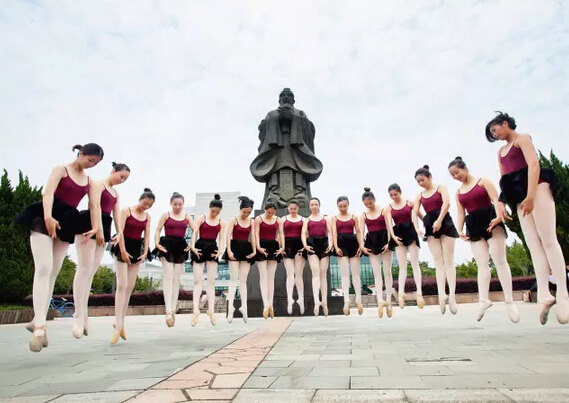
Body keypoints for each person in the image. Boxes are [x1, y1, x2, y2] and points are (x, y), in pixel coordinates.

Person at [16, 143, 104, 352]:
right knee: (44, 268)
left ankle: (38, 320)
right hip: (46, 216)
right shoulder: (60, 170)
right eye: (90, 160)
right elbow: (48, 193)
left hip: (68, 221)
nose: (91, 165)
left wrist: (96, 228)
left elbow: (94, 206)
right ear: (80, 153)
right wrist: (48, 216)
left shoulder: (90, 181)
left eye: (95, 163)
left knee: (53, 273)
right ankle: (39, 326)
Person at [486, 112, 568, 324]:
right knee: (533, 244)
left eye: (495, 130)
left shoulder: (522, 139)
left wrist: (532, 195)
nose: (495, 136)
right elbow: (504, 178)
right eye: (492, 135)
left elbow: (533, 164)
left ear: (505, 123)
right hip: (520, 196)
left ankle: (562, 293)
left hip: (537, 189)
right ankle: (544, 293)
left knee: (548, 240)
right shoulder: (501, 152)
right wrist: (502, 203)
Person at [449, 157, 519, 322]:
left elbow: (496, 199)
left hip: (490, 218)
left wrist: (498, 218)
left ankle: (509, 302)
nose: (456, 176)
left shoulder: (483, 181)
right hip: (473, 224)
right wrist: (459, 230)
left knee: (500, 260)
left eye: (457, 172)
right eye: (452, 175)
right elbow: (461, 212)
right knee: (482, 264)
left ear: (465, 168)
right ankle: (483, 300)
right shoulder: (458, 193)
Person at [73, 162, 130, 338]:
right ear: (113, 171)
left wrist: (119, 233)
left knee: (92, 271)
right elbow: (94, 206)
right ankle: (78, 315)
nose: (122, 180)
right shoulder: (97, 184)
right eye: (121, 176)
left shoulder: (115, 193)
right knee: (83, 269)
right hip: (88, 224)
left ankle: (84, 315)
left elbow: (116, 214)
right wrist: (96, 227)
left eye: (125, 179)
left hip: (104, 226)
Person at [110, 188, 155, 345]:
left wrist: (145, 252)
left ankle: (121, 322)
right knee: (121, 285)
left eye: (149, 205)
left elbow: (147, 235)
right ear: (140, 199)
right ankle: (117, 324)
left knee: (130, 286)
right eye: (144, 203)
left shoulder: (147, 216)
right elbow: (119, 232)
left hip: (137, 248)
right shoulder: (126, 211)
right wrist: (122, 250)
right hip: (123, 246)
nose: (146, 207)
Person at [413, 165, 459, 315]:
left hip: (444, 221)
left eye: (423, 180)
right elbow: (414, 213)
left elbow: (447, 203)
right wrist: (417, 228)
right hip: (429, 225)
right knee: (438, 262)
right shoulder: (419, 195)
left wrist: (439, 220)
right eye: (418, 181)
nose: (421, 183)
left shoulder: (441, 188)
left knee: (449, 260)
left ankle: (452, 296)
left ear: (429, 177)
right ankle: (441, 295)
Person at [153, 192, 194, 328]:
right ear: (171, 203)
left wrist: (192, 243)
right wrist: (157, 243)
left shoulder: (187, 216)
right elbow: (158, 230)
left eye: (180, 204)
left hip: (180, 246)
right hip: (167, 246)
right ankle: (168, 311)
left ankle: (173, 309)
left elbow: (196, 230)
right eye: (175, 204)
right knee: (168, 277)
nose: (177, 207)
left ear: (183, 204)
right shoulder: (166, 215)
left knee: (176, 279)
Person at [385, 184, 424, 309]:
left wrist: (423, 228)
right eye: (391, 195)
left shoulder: (410, 203)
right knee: (402, 265)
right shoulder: (389, 208)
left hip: (411, 231)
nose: (394, 197)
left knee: (414, 263)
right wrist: (393, 237)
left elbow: (421, 216)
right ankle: (401, 293)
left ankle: (419, 293)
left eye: (395, 194)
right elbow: (389, 225)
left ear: (400, 192)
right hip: (398, 234)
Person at [190, 194, 226, 326]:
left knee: (211, 283)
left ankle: (211, 310)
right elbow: (194, 233)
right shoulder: (202, 218)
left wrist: (221, 250)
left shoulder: (221, 222)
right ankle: (195, 310)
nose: (215, 213)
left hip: (212, 248)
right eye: (213, 211)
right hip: (199, 247)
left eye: (217, 212)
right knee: (197, 281)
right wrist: (193, 247)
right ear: (209, 208)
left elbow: (221, 238)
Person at [360, 187, 394, 319]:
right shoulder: (363, 214)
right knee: (376, 272)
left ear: (374, 200)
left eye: (370, 203)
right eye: (366, 204)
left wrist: (389, 242)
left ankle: (389, 302)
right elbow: (361, 232)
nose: (369, 205)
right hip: (372, 241)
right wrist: (362, 246)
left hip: (384, 239)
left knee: (387, 271)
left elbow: (390, 226)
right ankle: (380, 300)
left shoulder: (384, 210)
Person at [223, 196, 256, 323]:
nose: (246, 214)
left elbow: (252, 236)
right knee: (233, 280)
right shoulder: (234, 220)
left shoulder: (251, 221)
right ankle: (230, 308)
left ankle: (244, 307)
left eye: (249, 213)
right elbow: (227, 235)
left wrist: (254, 251)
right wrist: (229, 250)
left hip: (246, 250)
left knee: (243, 281)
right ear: (240, 209)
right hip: (235, 248)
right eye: (244, 212)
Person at [332, 196, 364, 316]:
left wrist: (361, 246)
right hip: (341, 243)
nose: (343, 208)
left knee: (355, 273)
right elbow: (334, 233)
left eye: (344, 206)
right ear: (337, 206)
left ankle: (358, 300)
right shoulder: (334, 218)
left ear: (348, 205)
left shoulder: (354, 216)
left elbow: (359, 231)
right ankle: (346, 300)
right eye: (340, 206)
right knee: (344, 274)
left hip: (353, 242)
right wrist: (335, 247)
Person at [301, 197, 333, 316]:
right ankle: (316, 301)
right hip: (312, 244)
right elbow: (303, 233)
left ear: (319, 205)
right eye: (312, 204)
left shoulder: (325, 218)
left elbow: (331, 232)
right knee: (315, 273)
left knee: (323, 274)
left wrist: (332, 244)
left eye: (316, 204)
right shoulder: (307, 219)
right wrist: (305, 245)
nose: (314, 206)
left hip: (324, 244)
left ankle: (324, 301)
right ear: (309, 206)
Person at [254, 200, 283, 319]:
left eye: (272, 212)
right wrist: (258, 247)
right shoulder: (259, 219)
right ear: (264, 210)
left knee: (271, 277)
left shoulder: (277, 219)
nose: (270, 214)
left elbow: (281, 233)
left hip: (273, 246)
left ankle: (270, 304)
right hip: (262, 245)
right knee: (263, 276)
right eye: (268, 212)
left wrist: (282, 247)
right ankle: (265, 303)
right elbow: (255, 234)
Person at [279, 200, 307, 315]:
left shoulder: (303, 219)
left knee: (299, 274)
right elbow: (280, 234)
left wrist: (305, 246)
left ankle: (301, 299)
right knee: (290, 274)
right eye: (291, 209)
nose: (293, 211)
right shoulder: (283, 219)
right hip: (288, 245)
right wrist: (281, 246)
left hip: (300, 245)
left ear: (298, 208)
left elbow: (305, 234)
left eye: (295, 209)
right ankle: (289, 299)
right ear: (288, 209)